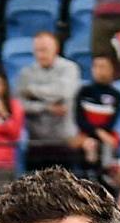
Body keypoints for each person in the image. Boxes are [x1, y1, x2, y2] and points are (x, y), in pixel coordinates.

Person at [16, 29, 81, 169]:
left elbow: (63, 92)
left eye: (44, 50)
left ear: (55, 49)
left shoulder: (69, 68)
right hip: (36, 142)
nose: (40, 54)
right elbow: (20, 104)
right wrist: (46, 107)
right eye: (37, 50)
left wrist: (32, 91)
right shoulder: (26, 73)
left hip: (64, 141)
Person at [75, 51, 120, 171]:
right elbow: (79, 119)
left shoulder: (116, 96)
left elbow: (112, 122)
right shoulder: (83, 92)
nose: (99, 70)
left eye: (103, 66)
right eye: (95, 66)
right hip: (85, 134)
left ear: (112, 69)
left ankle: (106, 175)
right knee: (89, 145)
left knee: (109, 143)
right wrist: (97, 133)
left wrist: (102, 134)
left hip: (107, 135)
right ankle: (87, 176)